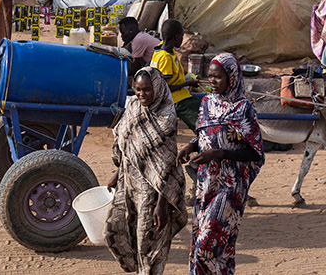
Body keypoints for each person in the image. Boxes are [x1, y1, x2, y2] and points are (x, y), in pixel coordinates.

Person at [178, 53, 264, 275]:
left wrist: (218, 153)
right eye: (210, 77)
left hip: (230, 187)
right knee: (217, 250)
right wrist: (191, 147)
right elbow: (203, 134)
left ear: (232, 77)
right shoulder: (207, 103)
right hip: (206, 183)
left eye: (217, 77)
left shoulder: (244, 108)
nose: (212, 82)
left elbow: (254, 152)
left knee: (205, 246)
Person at [105, 67, 188, 275]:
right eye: (138, 89)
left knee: (148, 243)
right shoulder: (133, 107)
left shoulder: (166, 117)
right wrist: (117, 175)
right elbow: (126, 143)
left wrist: (162, 204)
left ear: (158, 89)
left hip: (152, 191)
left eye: (147, 90)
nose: (142, 94)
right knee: (113, 229)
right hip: (129, 182)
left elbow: (167, 164)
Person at [151, 20, 201, 130]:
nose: (182, 40)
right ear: (176, 36)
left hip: (181, 95)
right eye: (182, 37)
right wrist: (187, 83)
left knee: (203, 103)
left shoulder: (162, 50)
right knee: (201, 119)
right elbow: (164, 88)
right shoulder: (165, 58)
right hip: (174, 100)